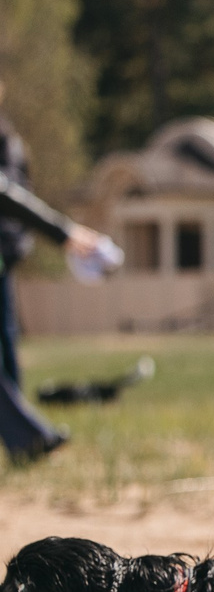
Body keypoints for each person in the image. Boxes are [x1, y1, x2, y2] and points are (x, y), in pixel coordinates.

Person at [0, 90, 118, 462]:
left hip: (4, 255)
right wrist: (64, 233)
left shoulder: (9, 139)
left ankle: (22, 439)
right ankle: (27, 437)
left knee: (6, 346)